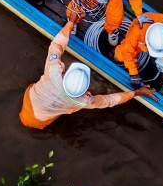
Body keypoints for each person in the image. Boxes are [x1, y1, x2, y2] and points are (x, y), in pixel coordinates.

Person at [20, 9, 154, 129]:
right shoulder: (84, 101)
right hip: (40, 115)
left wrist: (71, 22)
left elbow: (56, 45)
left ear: (66, 75)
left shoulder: (54, 71)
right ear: (85, 91)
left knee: (33, 117)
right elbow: (109, 101)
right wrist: (136, 93)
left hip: (32, 101)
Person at [113, 11, 163, 89]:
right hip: (139, 36)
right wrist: (134, 74)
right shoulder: (136, 33)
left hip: (152, 31)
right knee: (120, 56)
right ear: (147, 42)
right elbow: (127, 52)